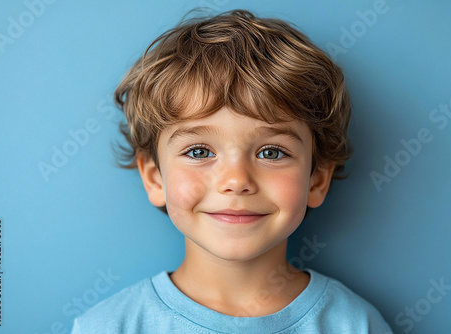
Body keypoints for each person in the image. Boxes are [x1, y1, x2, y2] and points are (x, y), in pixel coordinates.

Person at [71, 9, 392, 333]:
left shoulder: (355, 325)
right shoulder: (107, 327)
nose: (237, 181)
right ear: (155, 178)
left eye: (271, 152)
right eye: (199, 152)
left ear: (316, 179)